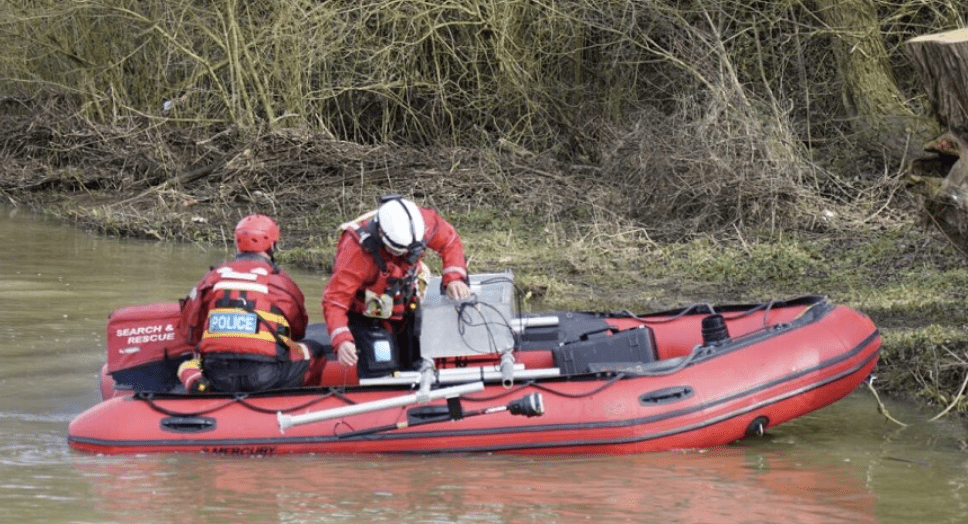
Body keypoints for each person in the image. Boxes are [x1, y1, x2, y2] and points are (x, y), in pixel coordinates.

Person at [323, 195, 471, 375]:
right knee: (380, 368)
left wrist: (453, 278)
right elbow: (335, 300)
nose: (406, 256)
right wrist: (341, 339)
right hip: (370, 320)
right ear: (382, 237)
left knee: (417, 360)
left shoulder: (423, 223)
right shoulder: (356, 251)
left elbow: (449, 241)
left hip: (406, 306)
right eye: (400, 251)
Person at [176, 214, 313, 393]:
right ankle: (301, 401)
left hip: (217, 374)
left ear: (237, 242)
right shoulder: (282, 282)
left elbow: (190, 330)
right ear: (272, 245)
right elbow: (298, 331)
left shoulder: (211, 279)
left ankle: (196, 381)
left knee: (187, 363)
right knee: (311, 349)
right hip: (266, 376)